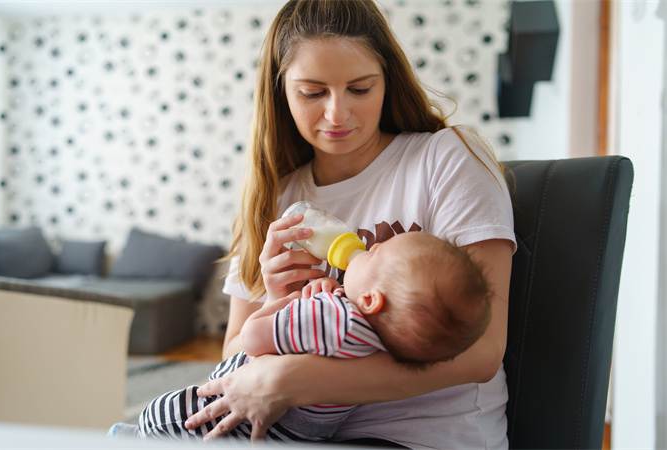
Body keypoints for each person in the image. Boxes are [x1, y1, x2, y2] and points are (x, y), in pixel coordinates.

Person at [183, 0, 516, 448]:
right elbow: (233, 354)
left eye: (360, 89)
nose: (338, 114)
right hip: (297, 435)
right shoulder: (275, 197)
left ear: (388, 81)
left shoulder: (446, 158)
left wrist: (300, 379)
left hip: (427, 437)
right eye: (313, 93)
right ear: (281, 91)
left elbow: (481, 352)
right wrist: (275, 301)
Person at [130, 231, 493, 441]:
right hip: (291, 436)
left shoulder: (335, 318)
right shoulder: (376, 339)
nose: (368, 248)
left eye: (376, 254)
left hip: (223, 422)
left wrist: (284, 302)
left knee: (150, 419)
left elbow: (254, 338)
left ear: (369, 299)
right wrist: (323, 295)